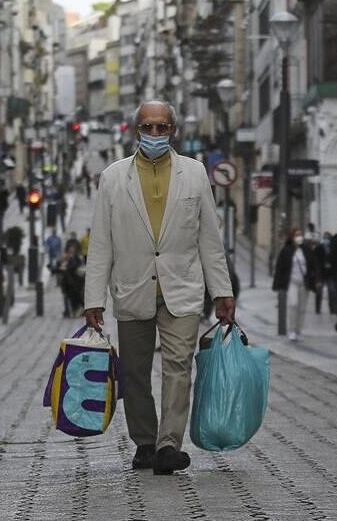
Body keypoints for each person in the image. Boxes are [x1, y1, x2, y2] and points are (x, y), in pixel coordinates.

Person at [84, 100, 234, 476]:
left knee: (178, 366)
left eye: (162, 127)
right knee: (134, 373)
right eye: (147, 127)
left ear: (173, 131)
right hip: (132, 288)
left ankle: (169, 445)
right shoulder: (113, 178)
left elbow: (209, 240)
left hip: (181, 288)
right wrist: (93, 299)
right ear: (136, 130)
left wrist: (222, 292)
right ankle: (145, 442)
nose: (154, 134)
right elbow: (101, 242)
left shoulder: (195, 174)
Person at [272, 228, 318, 341]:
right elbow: (280, 267)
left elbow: (313, 265)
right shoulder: (286, 250)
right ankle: (291, 330)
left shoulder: (307, 250)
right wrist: (278, 284)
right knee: (293, 304)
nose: (299, 237)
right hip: (292, 282)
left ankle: (299, 330)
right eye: (297, 235)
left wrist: (317, 279)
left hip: (304, 283)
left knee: (302, 308)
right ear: (292, 237)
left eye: (300, 235)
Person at [57, 243, 86, 317]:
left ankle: (76, 310)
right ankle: (68, 311)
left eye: (72, 249)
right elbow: (58, 266)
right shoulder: (65, 257)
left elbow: (76, 266)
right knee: (67, 296)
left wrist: (66, 267)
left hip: (75, 282)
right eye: (70, 249)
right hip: (66, 282)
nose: (71, 251)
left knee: (76, 297)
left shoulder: (77, 258)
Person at [309, 232, 328, 314]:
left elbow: (324, 260)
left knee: (318, 291)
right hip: (312, 273)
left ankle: (318, 308)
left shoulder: (321, 248)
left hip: (319, 273)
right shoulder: (308, 248)